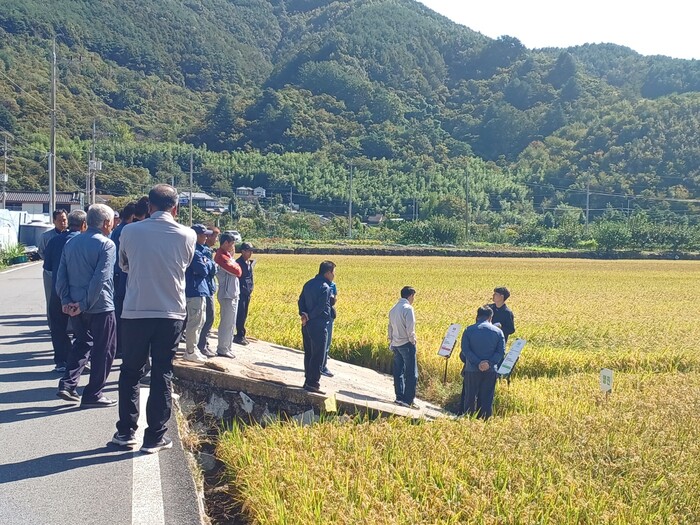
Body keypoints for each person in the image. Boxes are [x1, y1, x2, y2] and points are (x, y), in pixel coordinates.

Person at [113, 184, 196, 454]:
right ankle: (154, 437)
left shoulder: (129, 231)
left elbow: (124, 265)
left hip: (136, 310)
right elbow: (185, 264)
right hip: (171, 312)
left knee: (130, 372)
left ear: (149, 206)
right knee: (162, 372)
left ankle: (126, 432)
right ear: (176, 208)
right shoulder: (188, 234)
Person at [55, 204, 117, 408]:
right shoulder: (106, 245)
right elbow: (101, 278)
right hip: (99, 305)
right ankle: (94, 393)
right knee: (105, 349)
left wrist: (66, 300)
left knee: (82, 343)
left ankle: (68, 384)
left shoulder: (71, 242)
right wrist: (84, 303)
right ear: (106, 223)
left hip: (74, 304)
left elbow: (61, 274)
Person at [43, 210, 87, 372]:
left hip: (58, 290)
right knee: (83, 327)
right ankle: (81, 359)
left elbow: (47, 267)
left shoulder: (55, 241)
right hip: (80, 291)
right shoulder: (87, 241)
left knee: (58, 326)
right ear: (84, 225)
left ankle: (61, 360)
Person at [459, 305, 505, 420]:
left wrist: (477, 362)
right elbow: (500, 352)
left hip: (472, 369)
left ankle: (468, 421)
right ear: (490, 317)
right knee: (487, 399)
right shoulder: (498, 332)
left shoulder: (469, 330)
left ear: (477, 316)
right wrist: (489, 363)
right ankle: (484, 422)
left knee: (470, 398)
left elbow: (465, 350)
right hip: (490, 370)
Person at [297, 260, 335, 394]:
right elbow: (321, 307)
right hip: (318, 324)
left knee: (309, 353)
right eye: (333, 272)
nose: (334, 275)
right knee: (318, 355)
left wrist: (303, 314)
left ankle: (307, 381)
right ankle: (313, 383)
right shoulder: (325, 287)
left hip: (306, 324)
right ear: (328, 273)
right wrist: (310, 316)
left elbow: (300, 301)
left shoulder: (308, 284)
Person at [184, 224, 214, 363]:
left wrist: (208, 262)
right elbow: (204, 270)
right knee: (194, 322)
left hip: (201, 289)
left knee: (201, 320)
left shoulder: (203, 251)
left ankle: (194, 348)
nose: (206, 237)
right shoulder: (194, 251)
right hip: (194, 289)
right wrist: (207, 263)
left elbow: (212, 267)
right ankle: (190, 351)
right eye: (203, 235)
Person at [111, 201, 136, 358]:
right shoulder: (126, 231)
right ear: (133, 216)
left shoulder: (118, 230)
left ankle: (118, 345)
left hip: (117, 274)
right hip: (123, 275)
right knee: (122, 311)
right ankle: (120, 346)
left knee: (119, 310)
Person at [388, 286, 418, 408]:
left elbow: (390, 327)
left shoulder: (393, 309)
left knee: (398, 372)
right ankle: (408, 400)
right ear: (410, 296)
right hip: (406, 343)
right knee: (411, 373)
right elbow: (410, 327)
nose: (413, 299)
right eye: (413, 296)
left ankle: (399, 397)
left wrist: (391, 340)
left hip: (395, 344)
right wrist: (413, 340)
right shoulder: (408, 308)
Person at [214, 232, 242, 359]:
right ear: (225, 243)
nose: (233, 247)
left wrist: (232, 259)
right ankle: (222, 348)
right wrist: (234, 261)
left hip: (232, 293)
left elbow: (237, 268)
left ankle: (227, 347)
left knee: (231, 323)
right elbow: (237, 270)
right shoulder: (221, 256)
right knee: (226, 322)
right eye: (232, 244)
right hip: (227, 294)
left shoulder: (228, 256)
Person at [39, 209, 68, 326]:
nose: (63, 222)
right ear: (54, 221)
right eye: (59, 220)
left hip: (68, 271)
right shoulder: (46, 236)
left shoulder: (72, 235)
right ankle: (52, 324)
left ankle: (70, 326)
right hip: (50, 273)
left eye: (64, 219)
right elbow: (41, 252)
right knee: (51, 298)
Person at [198, 226, 220, 357]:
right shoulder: (204, 251)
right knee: (208, 317)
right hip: (205, 287)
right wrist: (213, 266)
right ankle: (202, 345)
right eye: (215, 236)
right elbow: (210, 270)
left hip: (208, 287)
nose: (216, 239)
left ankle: (203, 344)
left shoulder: (208, 251)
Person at [233, 242, 254, 346]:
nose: (250, 253)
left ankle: (241, 334)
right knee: (240, 314)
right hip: (241, 292)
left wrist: (251, 288)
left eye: (251, 251)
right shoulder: (238, 263)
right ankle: (239, 335)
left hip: (247, 292)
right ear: (243, 251)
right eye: (248, 251)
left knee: (244, 314)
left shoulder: (249, 263)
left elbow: (250, 278)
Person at [320, 280, 337, 377]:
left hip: (323, 315)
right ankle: (322, 366)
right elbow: (333, 300)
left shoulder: (312, 284)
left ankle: (319, 365)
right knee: (325, 341)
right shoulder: (329, 285)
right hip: (325, 315)